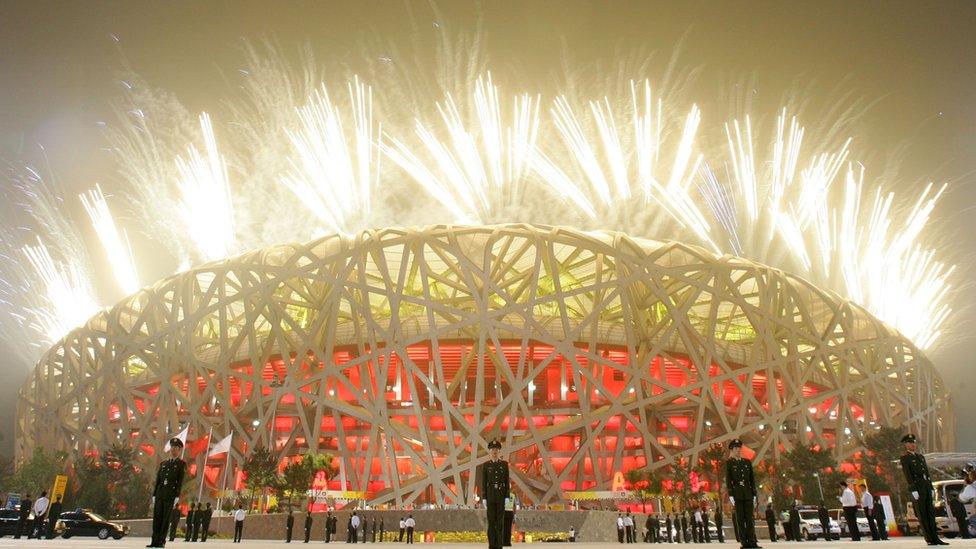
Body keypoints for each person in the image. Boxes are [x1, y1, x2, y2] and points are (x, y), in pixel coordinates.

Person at [900, 433, 946, 546]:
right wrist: (913, 489)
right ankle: (929, 538)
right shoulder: (905, 458)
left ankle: (936, 537)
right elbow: (908, 474)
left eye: (914, 443)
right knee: (922, 513)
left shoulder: (920, 457)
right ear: (906, 445)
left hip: (925, 486)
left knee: (930, 512)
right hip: (917, 487)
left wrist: (930, 487)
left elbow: (926, 473)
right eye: (910, 443)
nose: (913, 445)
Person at [151, 438, 187, 548]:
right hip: (160, 494)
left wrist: (177, 495)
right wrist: (154, 494)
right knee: (157, 519)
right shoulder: (164, 463)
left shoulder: (181, 464)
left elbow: (180, 481)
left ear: (180, 450)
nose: (173, 450)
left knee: (165, 519)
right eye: (172, 447)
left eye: (176, 448)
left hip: (170, 495)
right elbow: (158, 480)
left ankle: (161, 541)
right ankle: (154, 541)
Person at [726, 439, 760, 549]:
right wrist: (731, 495)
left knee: (749, 518)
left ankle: (752, 541)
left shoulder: (747, 462)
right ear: (732, 450)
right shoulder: (730, 463)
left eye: (739, 448)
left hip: (748, 493)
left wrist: (754, 493)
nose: (737, 450)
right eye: (735, 448)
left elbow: (752, 479)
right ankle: (744, 542)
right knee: (740, 519)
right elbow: (728, 480)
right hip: (737, 494)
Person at [480, 439, 509, 549]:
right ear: (490, 451)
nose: (494, 451)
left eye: (496, 449)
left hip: (501, 496)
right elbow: (483, 481)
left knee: (500, 522)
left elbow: (506, 482)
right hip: (490, 496)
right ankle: (492, 545)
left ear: (499, 451)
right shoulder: (486, 465)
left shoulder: (504, 465)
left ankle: (499, 545)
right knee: (491, 522)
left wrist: (507, 496)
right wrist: (484, 497)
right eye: (492, 449)